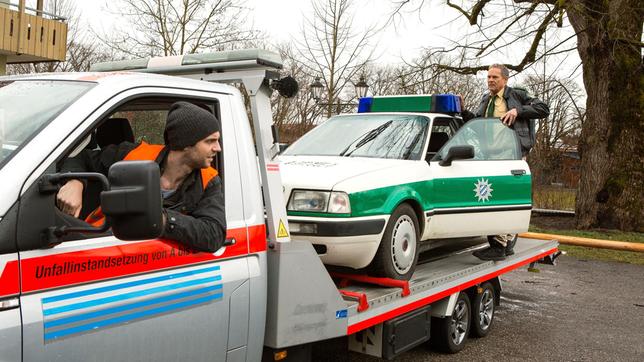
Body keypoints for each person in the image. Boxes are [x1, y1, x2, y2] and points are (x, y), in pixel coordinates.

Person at [56, 101, 227, 252]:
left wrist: (164, 219)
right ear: (185, 143)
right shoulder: (133, 154)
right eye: (210, 141)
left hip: (144, 260)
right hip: (94, 246)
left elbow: (214, 234)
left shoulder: (209, 180)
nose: (218, 148)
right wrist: (74, 181)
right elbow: (81, 157)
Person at [461, 64, 549, 261]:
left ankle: (498, 245)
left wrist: (518, 111)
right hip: (491, 157)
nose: (490, 80)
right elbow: (476, 124)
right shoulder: (486, 99)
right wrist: (463, 111)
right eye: (489, 77)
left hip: (512, 154)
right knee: (503, 198)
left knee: (499, 199)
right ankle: (506, 243)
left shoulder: (517, 95)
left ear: (505, 79)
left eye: (495, 77)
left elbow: (543, 109)